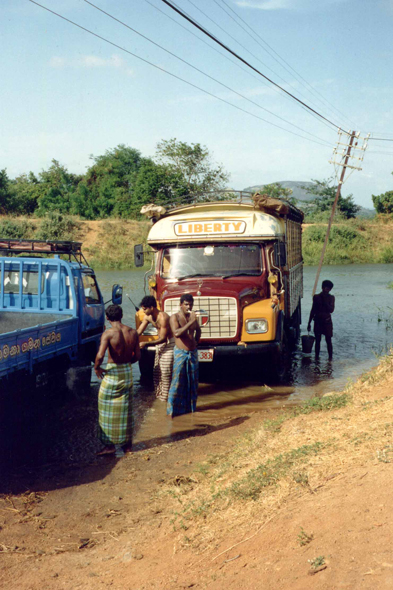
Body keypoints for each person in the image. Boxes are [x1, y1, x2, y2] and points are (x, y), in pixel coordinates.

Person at [94, 304, 141, 456]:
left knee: (104, 406)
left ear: (107, 318)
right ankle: (127, 446)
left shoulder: (108, 333)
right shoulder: (133, 332)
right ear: (121, 316)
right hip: (126, 372)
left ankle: (109, 446)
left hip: (113, 372)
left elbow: (100, 355)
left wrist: (97, 368)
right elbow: (138, 356)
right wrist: (127, 364)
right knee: (126, 409)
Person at [167, 294, 201, 418]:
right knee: (177, 383)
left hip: (192, 353)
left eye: (190, 304)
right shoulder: (174, 317)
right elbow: (177, 333)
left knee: (193, 383)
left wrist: (196, 341)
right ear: (181, 305)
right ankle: (171, 413)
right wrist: (191, 321)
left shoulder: (192, 317)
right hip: (181, 353)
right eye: (186, 304)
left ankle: (190, 411)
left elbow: (198, 330)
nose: (189, 307)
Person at [137, 295, 175, 402]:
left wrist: (146, 343)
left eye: (145, 309)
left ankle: (167, 399)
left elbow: (163, 339)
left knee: (166, 372)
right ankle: (162, 398)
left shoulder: (163, 317)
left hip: (169, 343)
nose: (143, 311)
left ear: (152, 308)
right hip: (160, 344)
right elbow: (138, 332)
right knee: (158, 373)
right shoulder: (148, 317)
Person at [307, 280, 335, 360]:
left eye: (329, 289)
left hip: (327, 322)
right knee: (317, 341)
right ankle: (316, 358)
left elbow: (331, 310)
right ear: (322, 288)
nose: (328, 290)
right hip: (318, 322)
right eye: (326, 288)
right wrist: (309, 323)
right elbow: (313, 310)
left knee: (328, 340)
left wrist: (325, 302)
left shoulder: (331, 298)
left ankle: (330, 359)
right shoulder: (316, 297)